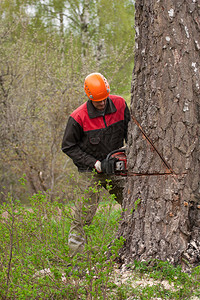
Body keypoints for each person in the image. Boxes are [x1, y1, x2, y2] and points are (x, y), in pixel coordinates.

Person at [62, 72, 130, 256]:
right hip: (90, 171)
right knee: (84, 214)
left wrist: (127, 154)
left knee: (133, 202)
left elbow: (130, 133)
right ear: (89, 96)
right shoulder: (78, 117)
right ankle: (76, 255)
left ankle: (130, 246)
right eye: (97, 100)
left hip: (116, 166)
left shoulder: (120, 104)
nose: (101, 103)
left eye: (104, 99)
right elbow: (68, 147)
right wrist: (95, 164)